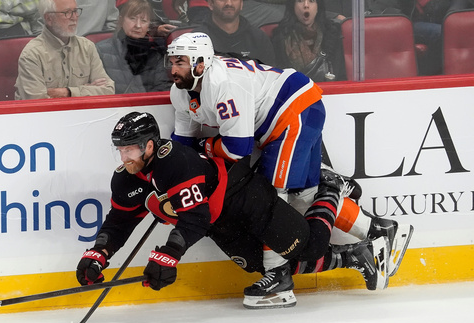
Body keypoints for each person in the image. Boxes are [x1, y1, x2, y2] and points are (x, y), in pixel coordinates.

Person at [165, 32, 413, 287]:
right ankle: (376, 230)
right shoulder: (180, 93)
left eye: (180, 62)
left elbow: (238, 149)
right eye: (172, 61)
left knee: (269, 200)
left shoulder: (224, 85)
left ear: (201, 62)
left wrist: (203, 145)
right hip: (292, 111)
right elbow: (182, 143)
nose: (173, 69)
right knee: (303, 197)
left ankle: (278, 277)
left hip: (292, 112)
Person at [76, 111, 391, 310]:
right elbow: (119, 221)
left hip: (243, 196)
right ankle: (354, 256)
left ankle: (330, 188)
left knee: (311, 246)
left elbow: (194, 218)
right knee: (257, 265)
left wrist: (169, 254)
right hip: (218, 223)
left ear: (148, 145)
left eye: (129, 149)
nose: (124, 157)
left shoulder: (175, 162)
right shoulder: (126, 177)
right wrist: (99, 253)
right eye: (120, 149)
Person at [15, 0, 115, 100]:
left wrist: (68, 92)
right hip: (47, 114)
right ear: (49, 18)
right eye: (67, 13)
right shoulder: (32, 53)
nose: (74, 17)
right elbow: (36, 101)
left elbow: (108, 90)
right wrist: (87, 90)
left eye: (75, 11)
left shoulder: (87, 47)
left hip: (83, 113)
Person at [95, 0, 172, 94]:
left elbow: (162, 90)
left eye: (143, 21)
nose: (138, 25)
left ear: (149, 26)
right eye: (132, 18)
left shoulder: (156, 54)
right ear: (121, 20)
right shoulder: (100, 50)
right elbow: (97, 89)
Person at [271, 0, 346, 81]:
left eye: (311, 1)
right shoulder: (280, 37)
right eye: (300, 1)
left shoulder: (332, 34)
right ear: (293, 6)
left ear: (318, 6)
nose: (306, 5)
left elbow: (341, 75)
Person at [193, 0, 276, 65]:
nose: (229, 3)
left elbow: (269, 76)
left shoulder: (259, 38)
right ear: (211, 4)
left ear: (241, 4)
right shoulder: (195, 40)